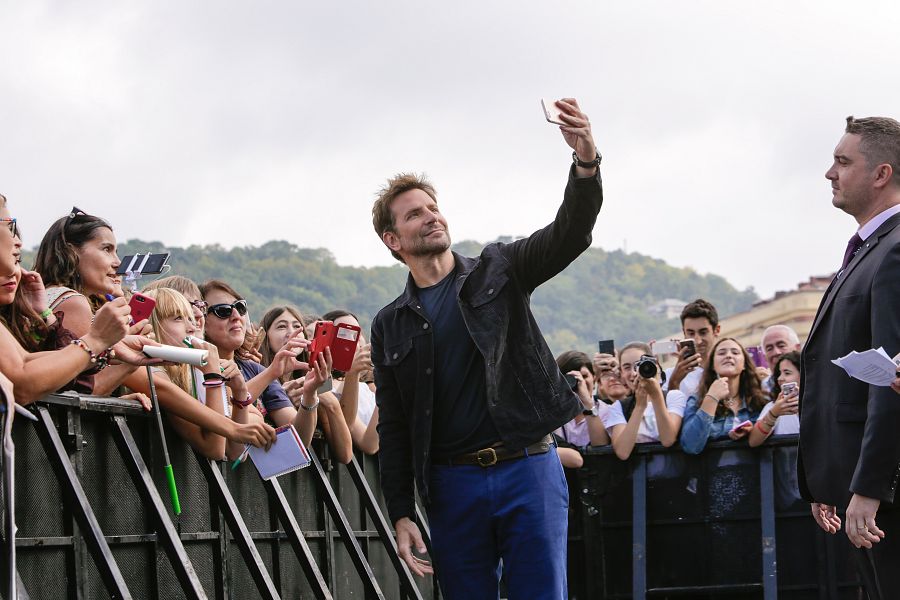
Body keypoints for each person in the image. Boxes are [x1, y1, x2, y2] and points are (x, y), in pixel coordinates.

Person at [370, 98, 602, 599]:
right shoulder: (389, 324)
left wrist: (585, 160)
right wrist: (401, 511)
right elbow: (393, 425)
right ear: (393, 239)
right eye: (415, 214)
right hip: (453, 485)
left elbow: (570, 232)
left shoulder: (501, 268)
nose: (431, 217)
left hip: (528, 466)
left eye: (433, 207)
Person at [798, 116, 900, 598]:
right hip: (855, 490)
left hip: (884, 496)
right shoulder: (865, 251)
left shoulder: (896, 251)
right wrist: (826, 483)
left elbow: (891, 383)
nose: (829, 173)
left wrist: (871, 486)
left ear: (881, 173)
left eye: (842, 161)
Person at [0, 197, 154, 405]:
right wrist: (98, 341)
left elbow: (29, 362)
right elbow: (24, 382)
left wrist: (109, 349)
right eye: (9, 226)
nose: (17, 240)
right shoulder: (73, 300)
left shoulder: (43, 299)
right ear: (71, 251)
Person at [137, 287, 274, 460]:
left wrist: (240, 393)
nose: (191, 326)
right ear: (154, 326)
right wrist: (213, 376)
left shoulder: (190, 369)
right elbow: (216, 449)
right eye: (179, 318)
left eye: (191, 317)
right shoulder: (152, 371)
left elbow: (236, 452)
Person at [200, 280, 328, 447]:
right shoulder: (196, 368)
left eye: (240, 307)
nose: (236, 316)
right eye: (223, 311)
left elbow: (298, 440)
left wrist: (310, 394)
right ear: (201, 320)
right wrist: (271, 373)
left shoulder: (255, 370)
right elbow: (224, 419)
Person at [258, 305, 354, 463]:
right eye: (281, 326)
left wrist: (328, 401)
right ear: (265, 337)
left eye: (297, 326)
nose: (291, 332)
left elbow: (345, 455)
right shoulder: (259, 377)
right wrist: (281, 398)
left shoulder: (314, 379)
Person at [679, 338, 768, 454]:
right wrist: (711, 398)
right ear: (712, 365)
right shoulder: (696, 400)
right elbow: (691, 446)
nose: (729, 356)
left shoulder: (760, 400)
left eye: (735, 352)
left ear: (744, 365)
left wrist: (753, 432)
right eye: (721, 353)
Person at [602, 342, 685, 460]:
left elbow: (668, 439)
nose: (634, 373)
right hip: (638, 475)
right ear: (621, 373)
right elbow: (622, 452)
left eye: (639, 365)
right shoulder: (619, 407)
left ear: (654, 365)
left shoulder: (673, 397)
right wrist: (640, 407)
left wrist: (656, 395)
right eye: (626, 367)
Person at [321, 309, 379, 454]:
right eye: (345, 332)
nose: (355, 338)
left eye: (358, 332)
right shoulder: (323, 383)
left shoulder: (365, 388)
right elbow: (369, 444)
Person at [662, 299, 721, 398]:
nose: (697, 340)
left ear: (716, 330)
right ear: (684, 333)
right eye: (691, 333)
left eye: (703, 332)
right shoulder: (669, 375)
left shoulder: (729, 368)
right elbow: (666, 412)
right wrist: (674, 382)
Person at [553, 351, 609, 448]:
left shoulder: (606, 410)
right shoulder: (555, 413)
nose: (580, 381)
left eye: (584, 376)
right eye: (571, 378)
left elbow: (600, 445)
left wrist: (587, 402)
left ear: (594, 378)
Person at [749, 352, 800, 446]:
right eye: (779, 374)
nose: (780, 378)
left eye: (787, 373)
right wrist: (774, 413)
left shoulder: (819, 402)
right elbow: (753, 442)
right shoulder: (772, 406)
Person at [759, 325, 801, 392]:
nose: (776, 352)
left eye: (781, 346)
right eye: (769, 349)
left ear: (797, 348)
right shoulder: (760, 391)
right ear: (764, 357)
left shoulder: (817, 380)